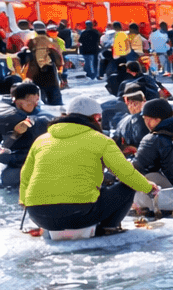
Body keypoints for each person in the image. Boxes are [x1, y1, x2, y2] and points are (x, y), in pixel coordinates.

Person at [19, 94, 157, 236]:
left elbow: (25, 175)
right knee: (127, 187)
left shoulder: (41, 140)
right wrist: (148, 188)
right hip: (79, 215)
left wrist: (24, 201)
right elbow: (126, 173)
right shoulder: (101, 140)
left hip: (39, 216)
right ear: (96, 117)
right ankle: (109, 228)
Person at [0, 81, 51, 188]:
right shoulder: (7, 117)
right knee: (8, 180)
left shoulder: (42, 119)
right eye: (29, 102)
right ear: (17, 101)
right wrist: (14, 135)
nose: (36, 104)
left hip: (41, 164)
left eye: (37, 101)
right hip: (17, 165)